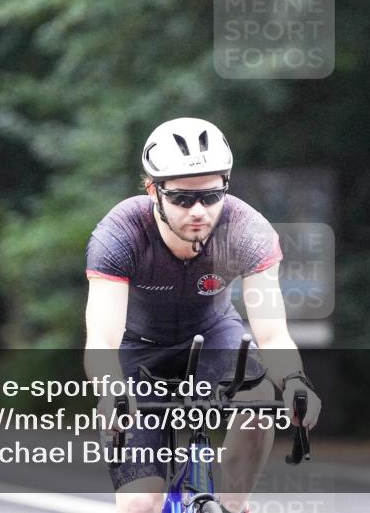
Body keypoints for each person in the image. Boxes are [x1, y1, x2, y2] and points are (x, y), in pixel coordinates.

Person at [84, 117, 323, 513]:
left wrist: (297, 381)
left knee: (260, 398)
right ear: (152, 191)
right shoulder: (119, 234)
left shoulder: (248, 231)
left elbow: (273, 334)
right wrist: (110, 389)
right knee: (140, 505)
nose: (198, 211)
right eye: (181, 198)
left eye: (211, 197)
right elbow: (102, 339)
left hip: (214, 335)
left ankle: (231, 505)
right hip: (138, 350)